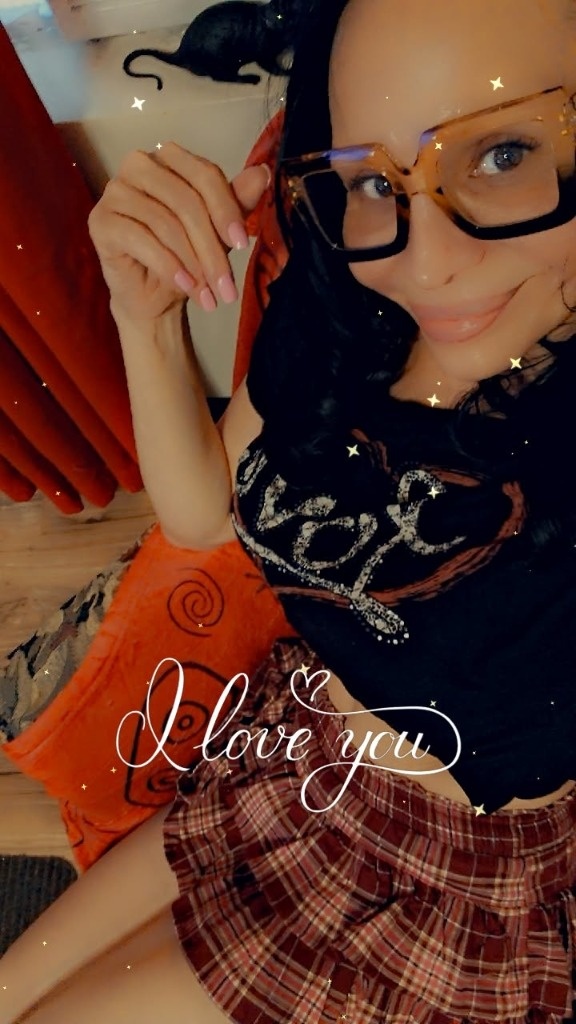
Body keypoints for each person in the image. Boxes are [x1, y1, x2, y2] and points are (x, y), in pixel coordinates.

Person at [1, 0, 576, 1020]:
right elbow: (205, 516)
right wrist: (144, 315)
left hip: (454, 878)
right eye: (375, 181)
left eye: (503, 155)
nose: (426, 262)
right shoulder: (346, 316)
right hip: (294, 755)